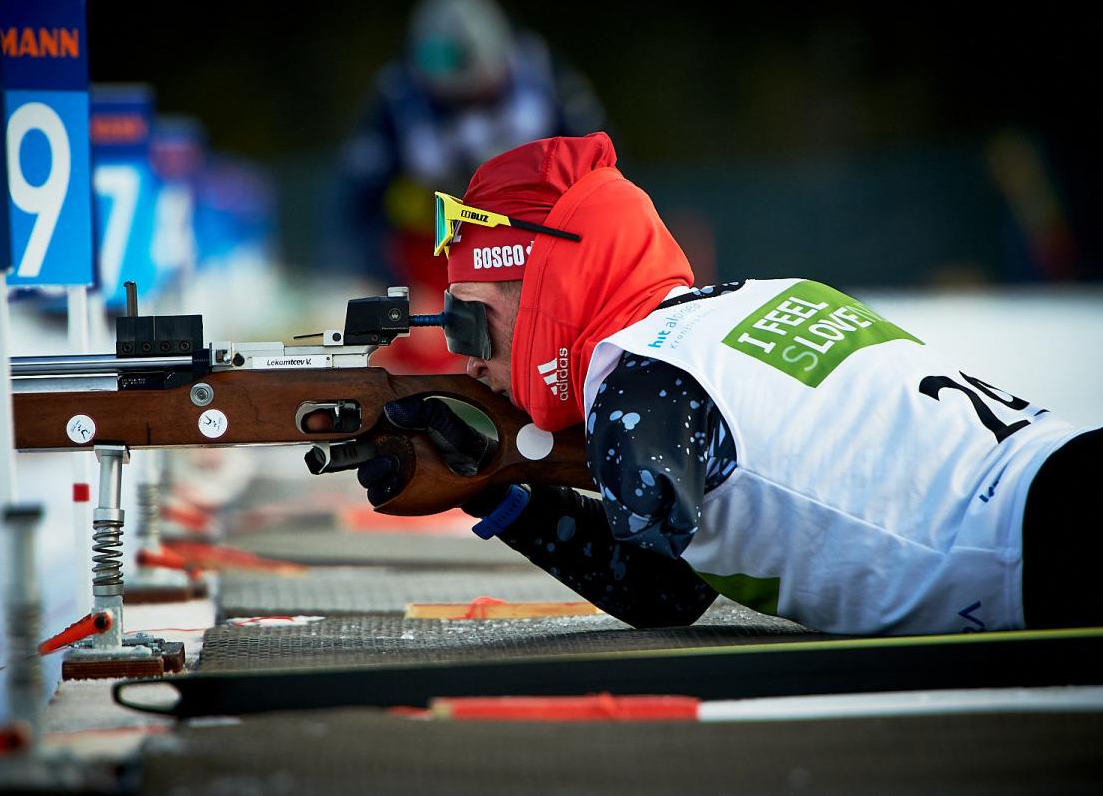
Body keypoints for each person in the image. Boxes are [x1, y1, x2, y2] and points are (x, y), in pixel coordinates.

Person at [339, 132, 1101, 635]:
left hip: (1038, 544)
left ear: (545, 283)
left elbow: (665, 595)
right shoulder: (750, 298)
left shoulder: (639, 388)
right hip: (1056, 476)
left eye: (470, 323)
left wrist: (495, 485)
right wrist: (495, 478)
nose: (467, 361)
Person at [334, 0, 605, 373]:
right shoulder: (399, 99)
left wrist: (581, 262)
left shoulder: (543, 79)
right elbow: (356, 206)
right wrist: (397, 288)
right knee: (432, 357)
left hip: (535, 249)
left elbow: (601, 176)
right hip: (435, 259)